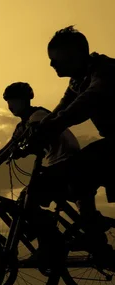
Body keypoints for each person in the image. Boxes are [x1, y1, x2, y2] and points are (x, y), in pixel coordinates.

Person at [33, 26, 115, 227]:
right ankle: (91, 227)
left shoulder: (104, 69)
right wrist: (37, 128)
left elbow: (87, 100)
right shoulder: (77, 80)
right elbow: (61, 107)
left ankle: (92, 228)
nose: (51, 63)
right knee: (77, 176)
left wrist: (57, 123)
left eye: (55, 57)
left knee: (77, 169)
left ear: (75, 54)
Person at [0, 82, 80, 204]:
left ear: (25, 100)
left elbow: (35, 139)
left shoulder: (38, 115)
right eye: (8, 101)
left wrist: (22, 151)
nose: (10, 106)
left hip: (66, 161)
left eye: (14, 101)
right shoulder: (22, 126)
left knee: (29, 197)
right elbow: (7, 150)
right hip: (56, 163)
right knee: (27, 197)